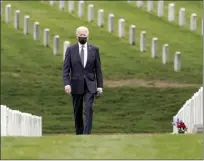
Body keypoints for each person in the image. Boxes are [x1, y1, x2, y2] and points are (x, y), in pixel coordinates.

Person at [62, 26, 103, 135]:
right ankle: (79, 133)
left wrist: (100, 86)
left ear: (88, 35)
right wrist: (67, 84)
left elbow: (98, 69)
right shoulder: (71, 50)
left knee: (88, 108)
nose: (82, 36)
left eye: (84, 34)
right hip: (76, 84)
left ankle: (86, 133)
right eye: (80, 34)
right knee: (78, 111)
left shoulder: (94, 49)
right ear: (77, 36)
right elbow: (66, 69)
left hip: (90, 84)